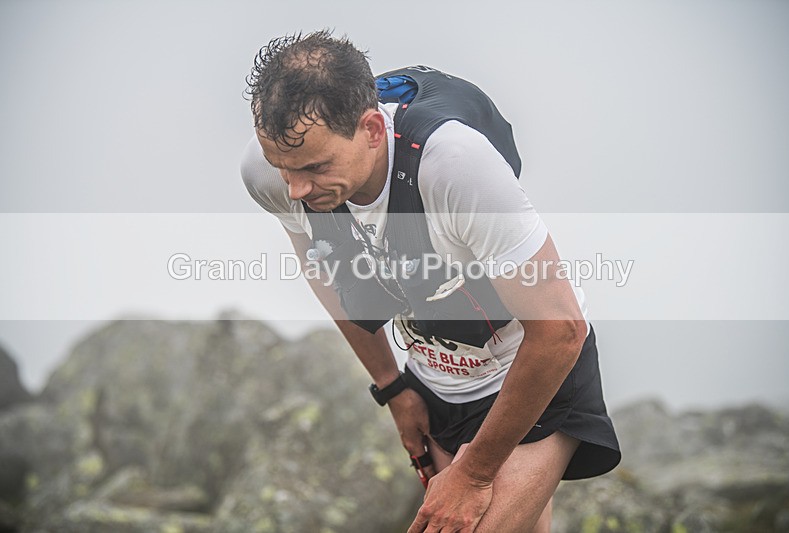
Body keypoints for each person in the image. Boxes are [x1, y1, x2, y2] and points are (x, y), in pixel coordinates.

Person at [240, 30, 620, 533]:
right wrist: (393, 387)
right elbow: (329, 278)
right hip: (438, 377)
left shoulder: (453, 165)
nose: (298, 189)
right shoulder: (273, 173)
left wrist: (474, 474)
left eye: (314, 167)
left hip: (531, 368)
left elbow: (560, 329)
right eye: (283, 169)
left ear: (373, 130)